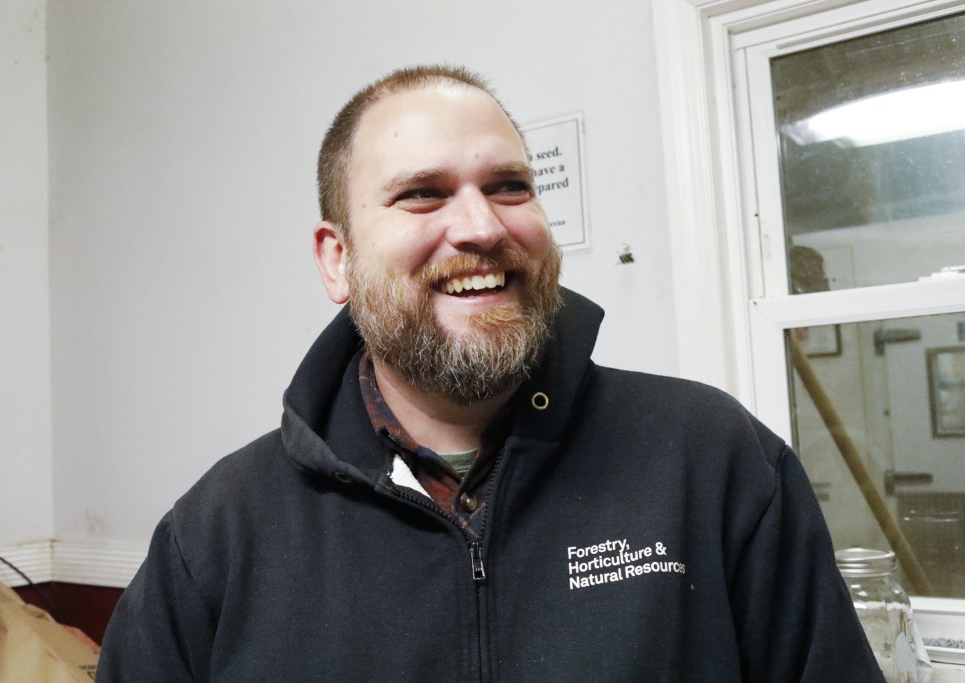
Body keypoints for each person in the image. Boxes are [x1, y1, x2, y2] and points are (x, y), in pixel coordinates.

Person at [96, 65, 883, 681]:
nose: (479, 226)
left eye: (509, 186)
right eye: (421, 195)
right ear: (338, 259)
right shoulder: (217, 537)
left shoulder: (715, 463)